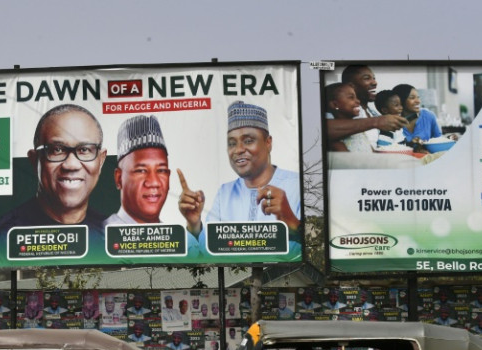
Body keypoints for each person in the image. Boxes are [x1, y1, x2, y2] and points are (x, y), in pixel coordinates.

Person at [0, 104, 108, 262]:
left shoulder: (111, 235)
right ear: (35, 161)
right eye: (57, 150)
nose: (71, 165)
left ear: (101, 160)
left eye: (84, 150)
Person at [178, 101, 301, 253]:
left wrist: (293, 222)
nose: (239, 150)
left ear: (268, 143)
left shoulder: (297, 185)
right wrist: (194, 224)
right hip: (236, 276)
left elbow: (317, 244)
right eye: (231, 143)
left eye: (248, 141)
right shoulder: (225, 193)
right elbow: (208, 252)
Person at [104, 114, 170, 225]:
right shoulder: (102, 235)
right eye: (141, 170)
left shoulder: (173, 235)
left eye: (161, 170)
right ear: (119, 178)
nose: (154, 182)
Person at [325, 65, 408, 147]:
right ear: (351, 85)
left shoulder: (373, 113)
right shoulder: (343, 110)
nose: (375, 83)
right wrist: (376, 122)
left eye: (374, 78)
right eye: (366, 78)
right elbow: (325, 129)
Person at [325, 83, 373, 152]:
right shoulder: (335, 137)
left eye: (356, 97)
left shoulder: (358, 128)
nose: (358, 101)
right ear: (335, 104)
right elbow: (349, 161)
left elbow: (372, 151)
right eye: (351, 97)